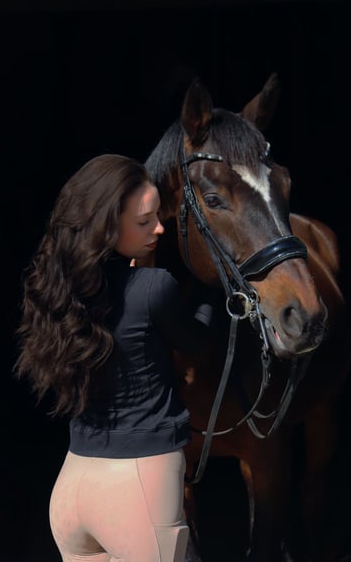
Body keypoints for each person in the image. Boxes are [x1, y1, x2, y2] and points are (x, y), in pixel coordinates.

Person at [15, 153, 217, 562]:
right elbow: (196, 341)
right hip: (138, 492)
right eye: (144, 222)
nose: (159, 228)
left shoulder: (62, 290)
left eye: (157, 216)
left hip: (72, 487)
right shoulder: (153, 287)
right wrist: (210, 291)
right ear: (106, 226)